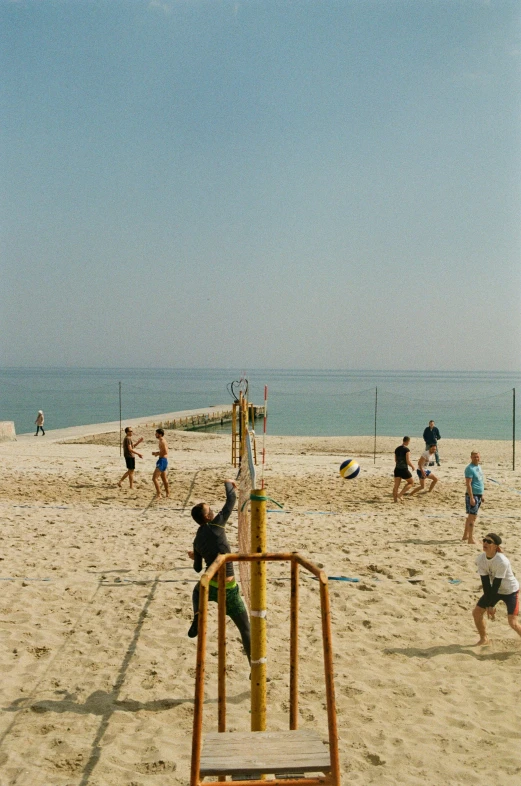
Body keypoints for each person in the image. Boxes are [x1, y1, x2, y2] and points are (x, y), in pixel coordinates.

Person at [187, 480, 251, 663]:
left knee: (197, 590)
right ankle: (254, 668)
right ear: (207, 518)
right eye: (210, 511)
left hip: (210, 585)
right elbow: (231, 500)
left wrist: (196, 555)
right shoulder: (217, 526)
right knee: (245, 629)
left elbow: (198, 568)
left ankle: (197, 614)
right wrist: (228, 483)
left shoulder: (197, 539)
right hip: (228, 588)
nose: (214, 512)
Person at [472, 533, 521, 646]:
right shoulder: (481, 559)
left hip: (510, 591)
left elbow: (496, 584)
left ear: (495, 546)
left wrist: (491, 605)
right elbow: (486, 585)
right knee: (477, 613)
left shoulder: (502, 561)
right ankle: (484, 639)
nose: (485, 543)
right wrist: (489, 604)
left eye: (489, 542)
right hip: (496, 590)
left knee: (512, 622)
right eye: (484, 540)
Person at [463, 450, 484, 544]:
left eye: (478, 456)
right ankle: (470, 539)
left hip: (478, 495)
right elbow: (468, 484)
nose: (476, 458)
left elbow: (480, 481)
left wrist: (482, 495)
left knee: (472, 517)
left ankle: (465, 535)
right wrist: (471, 497)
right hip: (473, 495)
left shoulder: (478, 467)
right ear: (471, 457)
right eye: (474, 457)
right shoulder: (469, 468)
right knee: (472, 518)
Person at [393, 437, 416, 502]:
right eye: (409, 442)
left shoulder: (397, 449)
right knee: (411, 482)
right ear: (407, 441)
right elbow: (408, 461)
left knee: (396, 486)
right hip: (404, 469)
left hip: (397, 469)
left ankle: (395, 500)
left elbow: (395, 460)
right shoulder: (406, 450)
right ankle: (400, 494)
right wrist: (412, 466)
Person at [152, 428, 169, 498]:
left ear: (160, 434)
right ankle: (168, 493)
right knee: (164, 478)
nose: (155, 434)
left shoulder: (162, 441)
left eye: (156, 433)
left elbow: (165, 452)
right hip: (163, 460)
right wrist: (157, 453)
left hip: (162, 460)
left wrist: (157, 453)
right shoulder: (161, 441)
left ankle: (159, 494)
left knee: (154, 478)